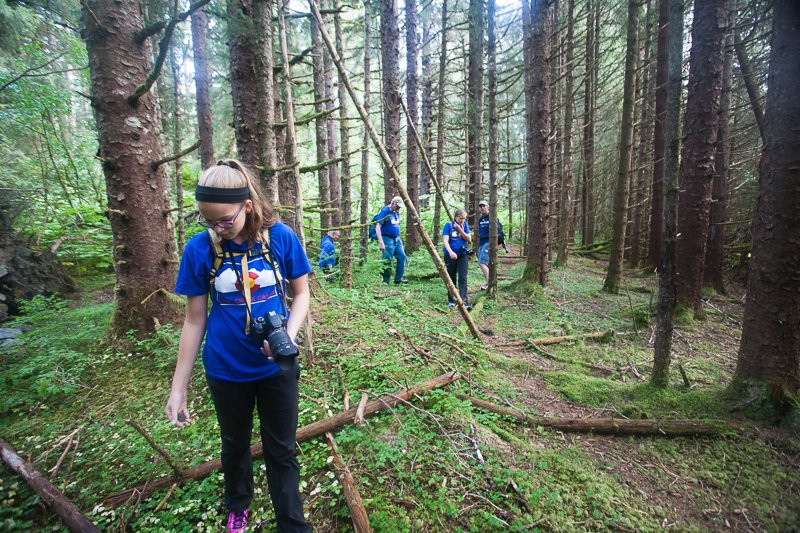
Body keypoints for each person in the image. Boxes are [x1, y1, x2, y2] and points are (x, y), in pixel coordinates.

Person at [165, 159, 312, 533]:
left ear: (248, 205)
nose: (217, 228)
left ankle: (291, 523)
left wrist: (288, 337)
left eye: (225, 220)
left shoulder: (280, 238)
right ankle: (238, 505)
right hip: (226, 369)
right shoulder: (200, 249)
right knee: (234, 445)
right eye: (208, 220)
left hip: (276, 367)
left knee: (281, 449)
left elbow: (302, 294)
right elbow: (194, 320)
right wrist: (178, 387)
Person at [442, 208, 472, 309]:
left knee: (463, 277)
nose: (462, 220)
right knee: (451, 277)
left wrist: (460, 229)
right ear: (456, 217)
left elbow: (469, 239)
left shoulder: (465, 225)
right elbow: (445, 241)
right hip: (450, 255)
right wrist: (450, 252)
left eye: (464, 218)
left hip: (462, 254)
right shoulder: (448, 225)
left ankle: (464, 301)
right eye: (460, 218)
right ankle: (451, 300)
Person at [375, 196, 408, 285]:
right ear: (393, 203)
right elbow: (378, 226)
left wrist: (399, 237)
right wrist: (381, 242)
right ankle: (385, 281)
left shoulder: (396, 213)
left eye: (399, 207)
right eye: (397, 206)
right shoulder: (385, 211)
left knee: (402, 256)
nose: (398, 208)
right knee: (387, 259)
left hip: (396, 239)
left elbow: (396, 226)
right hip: (386, 238)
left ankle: (399, 278)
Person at [477, 200, 505, 290]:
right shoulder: (481, 219)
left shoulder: (492, 217)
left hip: (489, 242)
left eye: (483, 206)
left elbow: (498, 230)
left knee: (482, 262)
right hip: (481, 242)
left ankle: (489, 284)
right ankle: (491, 282)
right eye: (480, 206)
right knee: (484, 262)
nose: (482, 208)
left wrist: (499, 242)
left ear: (488, 207)